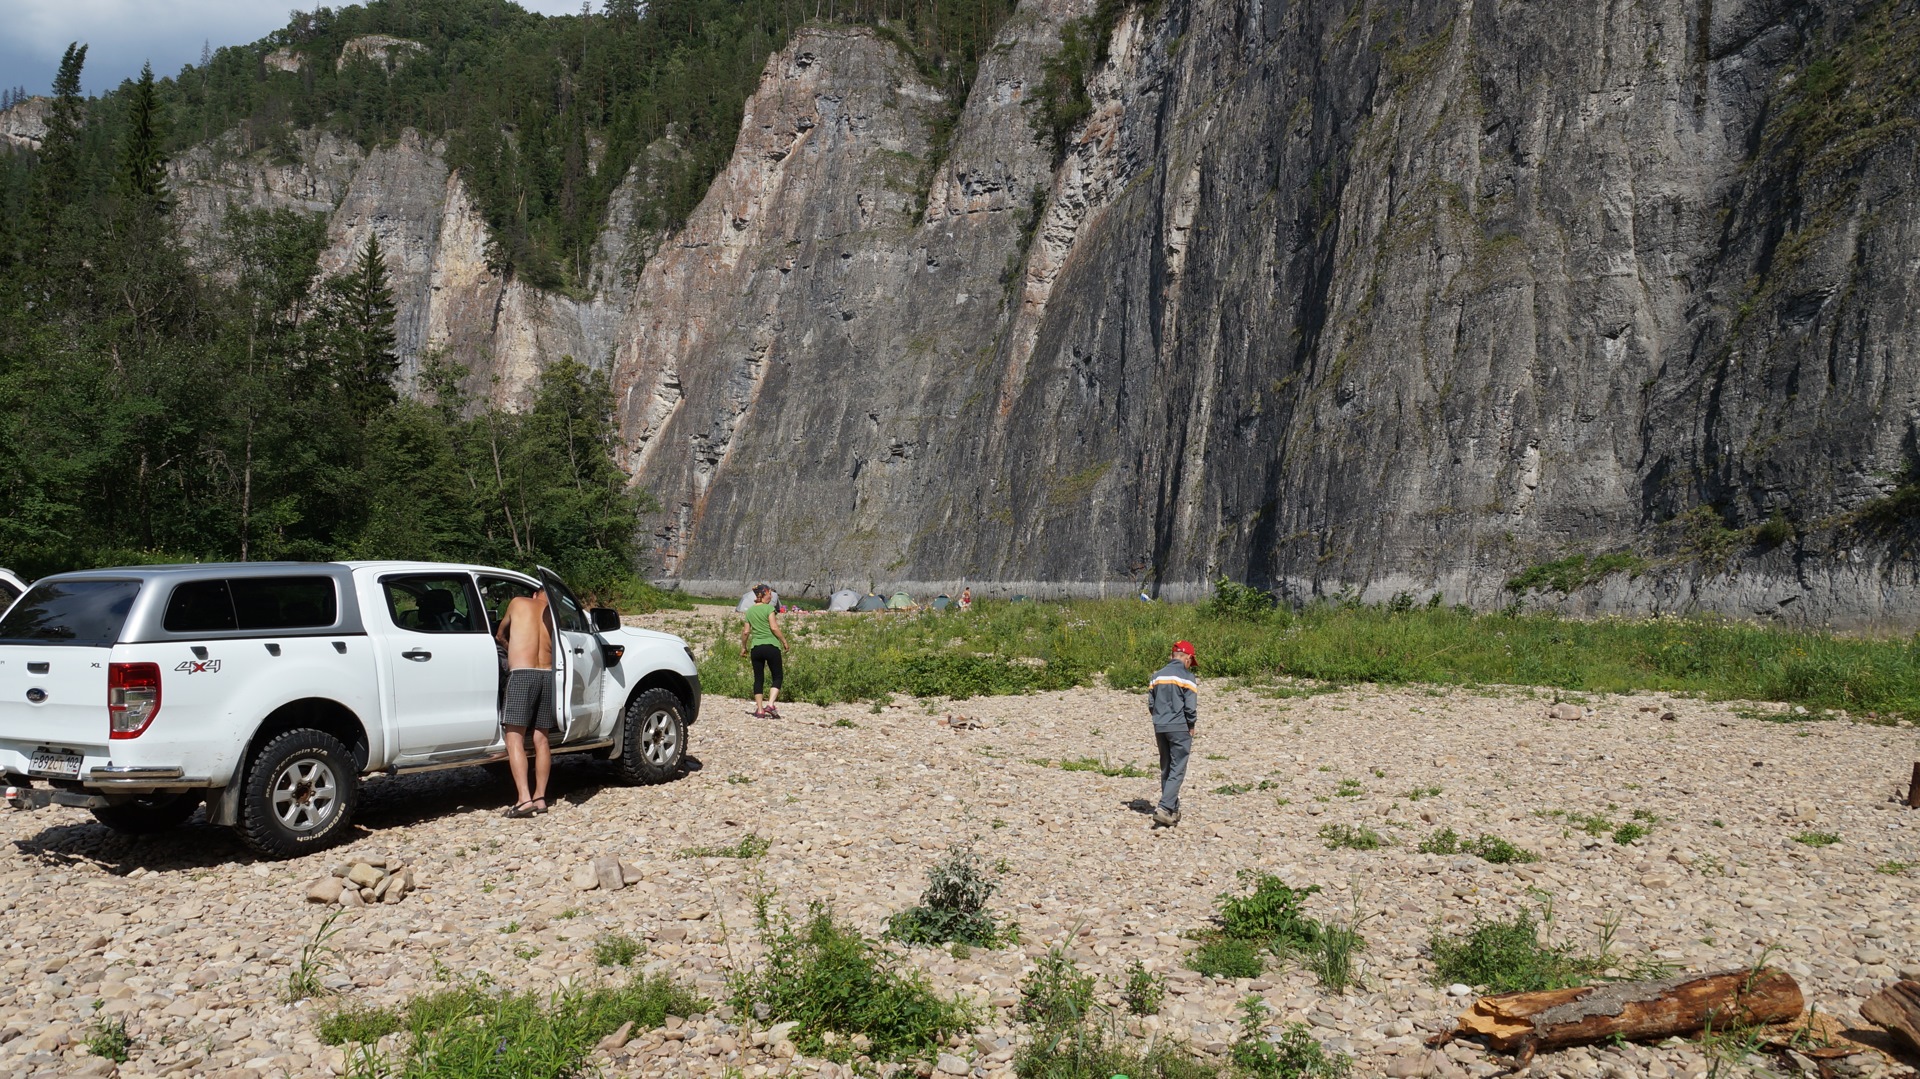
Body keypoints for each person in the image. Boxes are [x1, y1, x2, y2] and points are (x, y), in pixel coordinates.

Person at [496, 587, 556, 817]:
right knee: (541, 739)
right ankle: (540, 798)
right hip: (548, 675)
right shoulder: (553, 613)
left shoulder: (517, 602)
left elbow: (500, 634)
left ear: (534, 594)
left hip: (522, 674)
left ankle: (523, 799)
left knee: (514, 738)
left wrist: (512, 651)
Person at [1147, 640, 1199, 828]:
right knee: (1178, 768)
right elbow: (1190, 707)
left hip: (1159, 726)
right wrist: (1191, 725)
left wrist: (1160, 719)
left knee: (1166, 767)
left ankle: (1172, 810)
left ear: (1171, 657)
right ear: (1188, 658)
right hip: (1179, 727)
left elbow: (1151, 705)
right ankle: (1164, 807)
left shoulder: (1156, 676)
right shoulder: (1187, 677)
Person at [739, 583, 791, 718]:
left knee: (758, 678)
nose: (772, 595)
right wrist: (784, 641)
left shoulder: (749, 611)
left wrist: (743, 647)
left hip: (756, 648)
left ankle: (760, 710)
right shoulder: (769, 609)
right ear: (764, 594)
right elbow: (774, 627)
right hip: (771, 646)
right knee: (777, 676)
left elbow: (745, 632)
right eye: (770, 593)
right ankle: (771, 704)